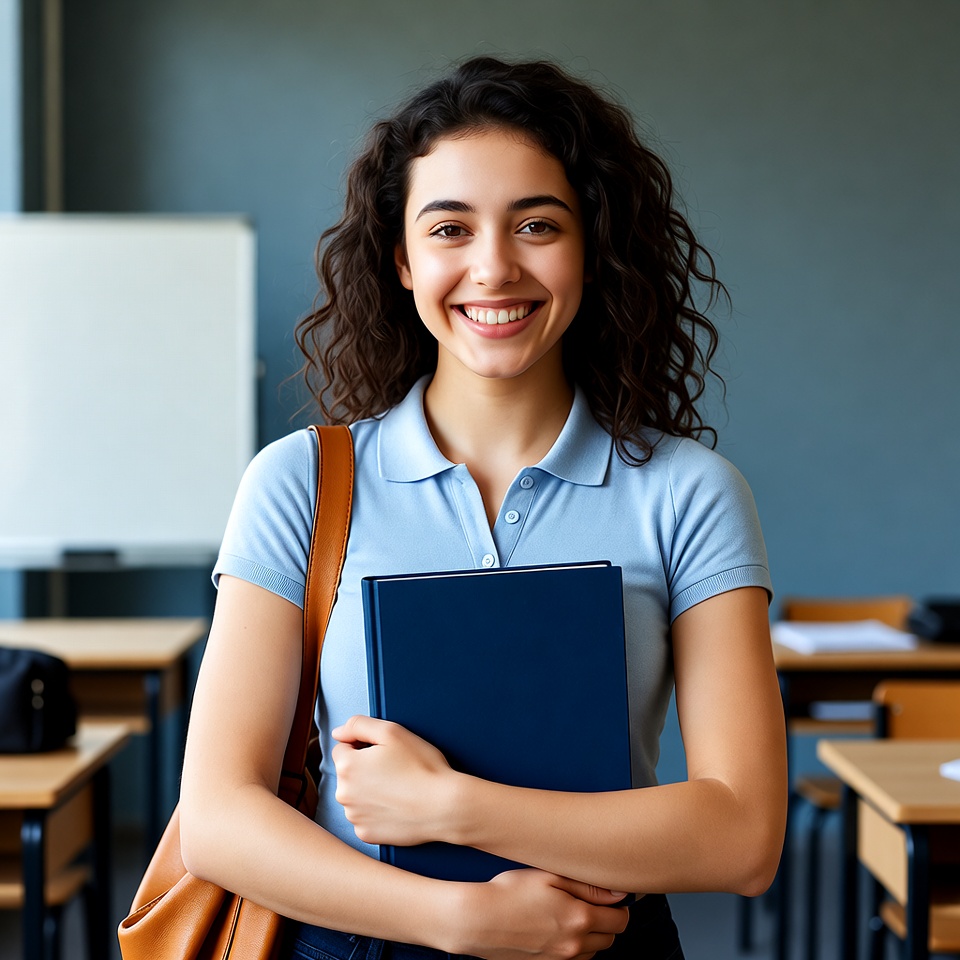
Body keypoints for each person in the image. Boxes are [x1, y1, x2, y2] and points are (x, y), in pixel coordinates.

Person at [179, 55, 787, 960]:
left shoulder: (689, 491)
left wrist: (452, 807)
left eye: (537, 224)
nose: (494, 269)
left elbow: (742, 837)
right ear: (401, 258)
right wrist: (458, 921)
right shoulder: (298, 482)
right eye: (450, 228)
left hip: (607, 941)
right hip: (359, 941)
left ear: (593, 245)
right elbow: (217, 819)